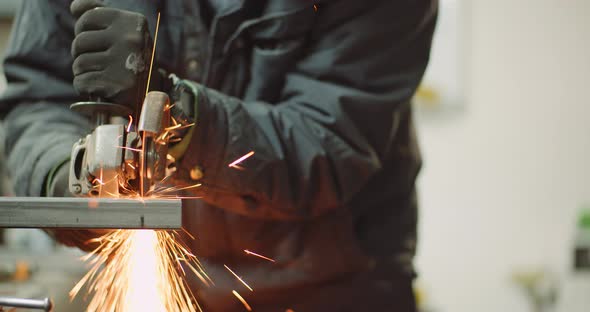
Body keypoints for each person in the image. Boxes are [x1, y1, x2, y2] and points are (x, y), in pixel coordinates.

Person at [0, 0, 437, 310]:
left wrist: (178, 112)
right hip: (177, 286)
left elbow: (328, 141)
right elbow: (37, 98)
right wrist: (69, 174)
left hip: (329, 287)